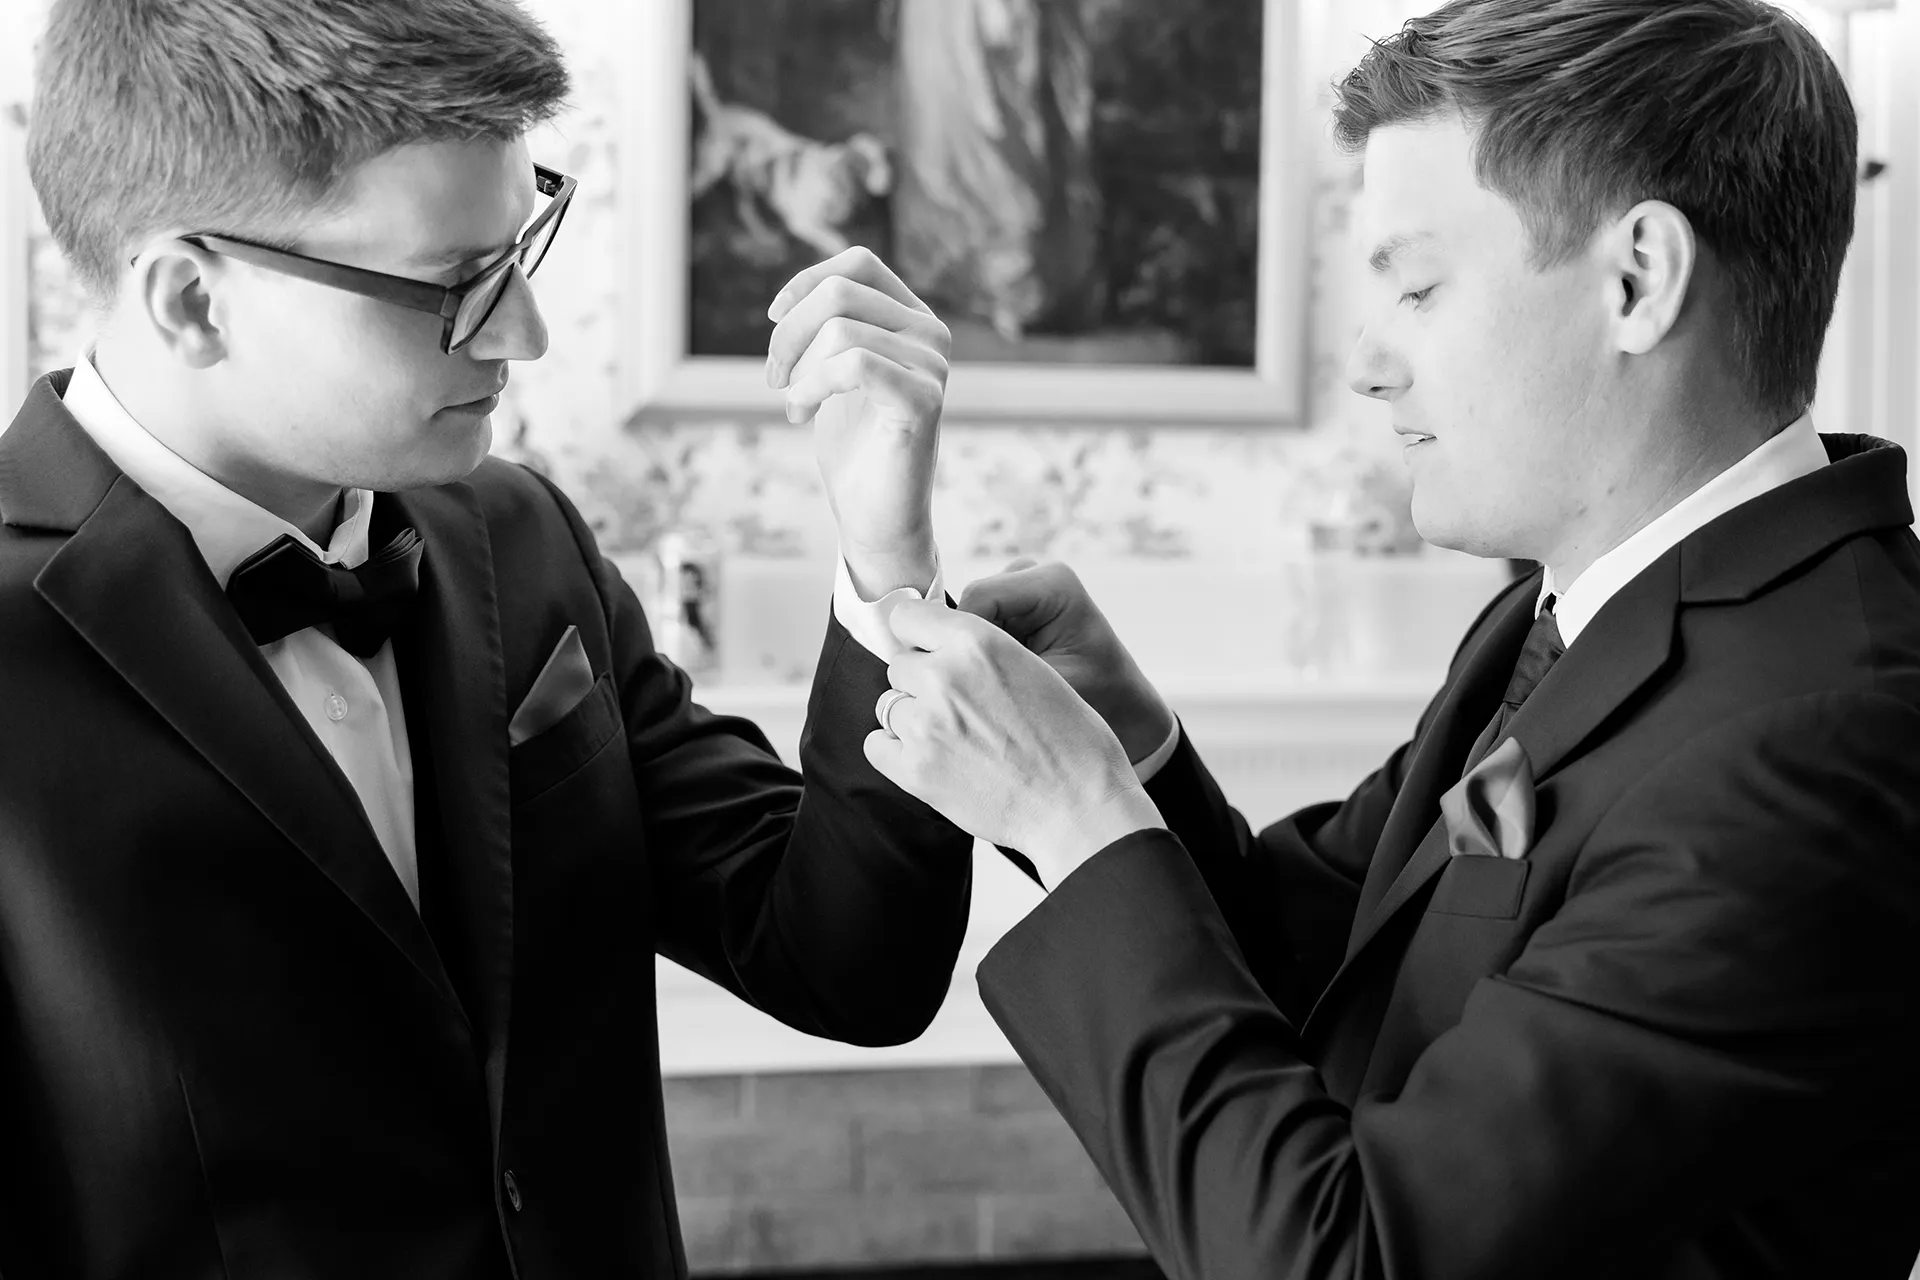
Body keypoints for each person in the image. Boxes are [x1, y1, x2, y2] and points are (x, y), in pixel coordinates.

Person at [855, 1, 1920, 1275]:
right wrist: (1126, 754)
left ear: (1637, 279)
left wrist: (1073, 815)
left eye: (1416, 285)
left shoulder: (1826, 729)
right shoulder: (1560, 611)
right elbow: (1330, 964)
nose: (1365, 364)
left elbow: (1344, 1255)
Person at [0, 1, 964, 1276]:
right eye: (453, 284)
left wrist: (887, 552)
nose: (524, 334)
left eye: (521, 251)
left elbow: (853, 964)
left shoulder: (523, 537)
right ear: (191, 298)